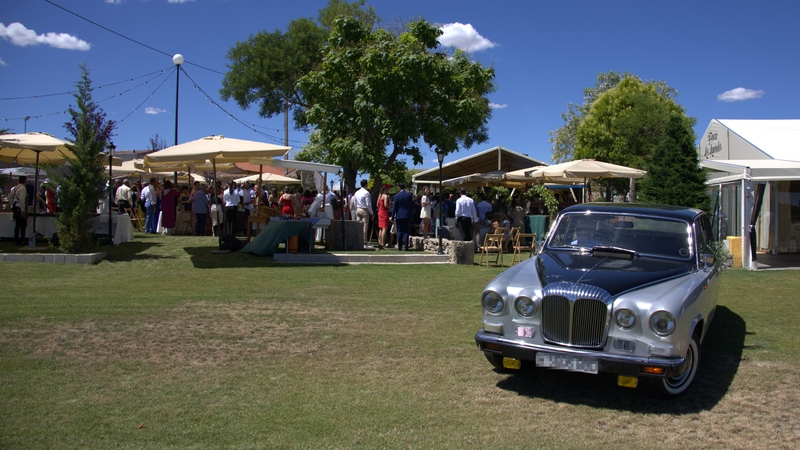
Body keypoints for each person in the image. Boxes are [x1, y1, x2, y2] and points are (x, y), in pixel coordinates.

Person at [392, 183, 413, 251]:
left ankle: (400, 246)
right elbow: (412, 205)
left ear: (399, 187)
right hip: (407, 214)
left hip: (399, 215)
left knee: (399, 230)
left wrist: (392, 216)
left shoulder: (396, 196)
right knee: (406, 231)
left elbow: (394, 207)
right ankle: (406, 247)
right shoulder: (409, 195)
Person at [353, 179, 374, 249]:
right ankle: (364, 241)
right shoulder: (366, 193)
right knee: (365, 226)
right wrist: (371, 213)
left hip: (358, 209)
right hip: (364, 209)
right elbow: (368, 204)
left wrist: (356, 209)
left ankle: (358, 240)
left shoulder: (356, 192)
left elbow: (355, 202)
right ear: (366, 184)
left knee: (359, 225)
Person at [9, 176, 29, 245]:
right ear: (25, 181)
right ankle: (22, 239)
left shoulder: (15, 188)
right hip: (20, 208)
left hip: (15, 207)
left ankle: (16, 239)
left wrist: (13, 203)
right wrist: (23, 210)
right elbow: (22, 199)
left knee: (17, 224)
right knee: (23, 224)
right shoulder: (23, 188)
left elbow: (9, 197)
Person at [376, 186, 391, 250]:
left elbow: (377, 205)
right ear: (386, 189)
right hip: (384, 212)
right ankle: (383, 244)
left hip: (380, 211)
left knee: (381, 228)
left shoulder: (380, 195)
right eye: (388, 189)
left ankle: (380, 242)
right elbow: (385, 205)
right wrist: (390, 205)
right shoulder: (385, 196)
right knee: (384, 228)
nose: (389, 190)